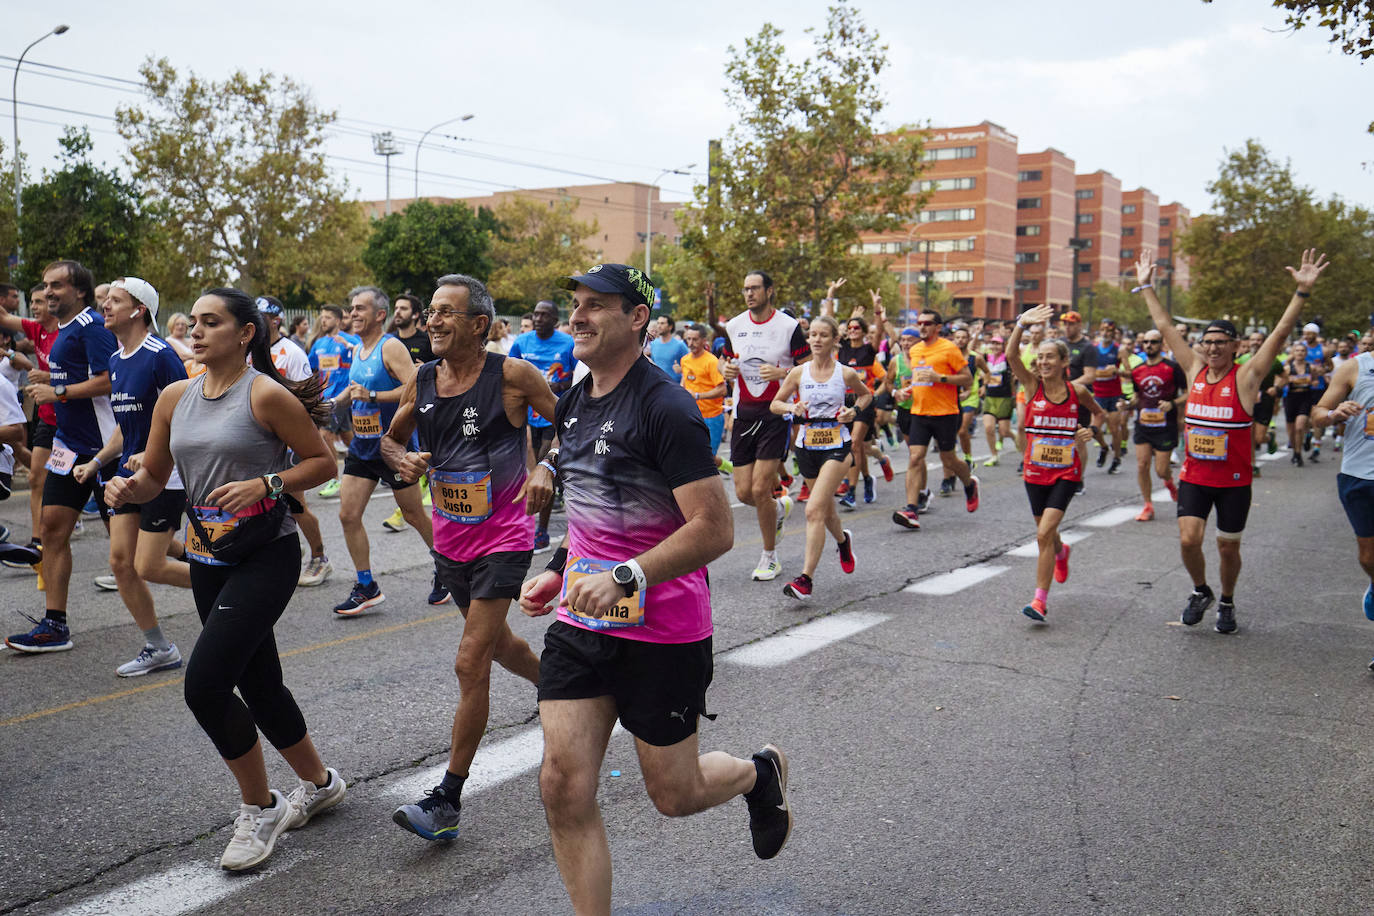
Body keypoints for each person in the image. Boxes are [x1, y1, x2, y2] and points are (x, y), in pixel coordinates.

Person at [518, 263, 792, 915]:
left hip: (662, 630)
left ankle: (758, 773)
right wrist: (560, 566)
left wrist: (629, 573)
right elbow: (587, 500)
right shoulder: (578, 397)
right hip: (583, 625)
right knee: (561, 784)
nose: (577, 316)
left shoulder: (665, 408)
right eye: (574, 304)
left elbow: (716, 528)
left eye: (595, 306)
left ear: (636, 317)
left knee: (675, 793)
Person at [104, 286, 345, 870]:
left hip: (265, 554)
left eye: (213, 323)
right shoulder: (173, 397)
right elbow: (157, 475)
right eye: (197, 322)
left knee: (206, 684)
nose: (198, 330)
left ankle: (260, 808)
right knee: (259, 682)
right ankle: (320, 783)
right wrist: (126, 489)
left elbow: (321, 464)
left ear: (244, 334)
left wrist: (267, 485)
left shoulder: (264, 395)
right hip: (208, 555)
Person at [381, 274, 556, 841]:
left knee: (470, 660)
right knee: (500, 646)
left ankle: (447, 800)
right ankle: (564, 683)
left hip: (505, 537)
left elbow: (569, 424)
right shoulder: (423, 380)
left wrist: (544, 468)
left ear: (478, 324)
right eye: (430, 311)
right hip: (452, 541)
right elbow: (389, 439)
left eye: (445, 313)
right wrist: (401, 460)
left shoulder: (513, 376)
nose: (431, 321)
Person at [1136, 246, 1328, 633]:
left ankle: (1226, 600)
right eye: (1207, 342)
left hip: (1234, 483)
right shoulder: (1192, 369)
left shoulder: (1246, 376)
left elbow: (1279, 333)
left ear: (1236, 347)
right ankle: (1200, 590)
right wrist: (1145, 286)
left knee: (1228, 547)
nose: (1212, 348)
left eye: (1221, 342)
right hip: (1195, 477)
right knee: (1189, 541)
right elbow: (1167, 326)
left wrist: (1302, 292)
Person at [73, 278, 192, 675]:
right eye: (105, 299)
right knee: (121, 562)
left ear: (139, 310)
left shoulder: (161, 356)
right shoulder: (117, 360)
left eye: (115, 300)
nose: (105, 305)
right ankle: (159, 647)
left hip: (166, 474)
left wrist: (154, 452)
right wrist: (98, 460)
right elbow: (127, 425)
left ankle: (230, 586)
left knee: (149, 566)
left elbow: (185, 415)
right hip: (126, 475)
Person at [6, 261, 118, 654]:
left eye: (57, 285)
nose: (49, 292)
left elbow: (109, 380)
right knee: (53, 529)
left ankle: (205, 569)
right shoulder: (65, 329)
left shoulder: (91, 327)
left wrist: (59, 392)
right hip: (69, 447)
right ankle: (55, 624)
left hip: (106, 450)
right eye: (47, 286)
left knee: (136, 556)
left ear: (80, 291)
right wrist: (50, 380)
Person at [332, 285, 446, 614]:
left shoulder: (390, 346)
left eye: (359, 309)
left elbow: (415, 387)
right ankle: (366, 585)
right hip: (363, 447)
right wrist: (335, 403)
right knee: (347, 515)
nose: (352, 313)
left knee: (412, 514)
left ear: (379, 315)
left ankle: (447, 566)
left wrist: (373, 398)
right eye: (351, 308)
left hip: (393, 447)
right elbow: (357, 390)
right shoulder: (358, 349)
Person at [1006, 305, 1105, 621]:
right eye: (1041, 358)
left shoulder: (1077, 392)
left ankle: (1039, 601)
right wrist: (1021, 324)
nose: (1043, 362)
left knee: (1044, 532)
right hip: (1035, 472)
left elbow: (1099, 414)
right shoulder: (1032, 387)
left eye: (1051, 357)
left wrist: (1091, 429)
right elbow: (1011, 357)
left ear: (1065, 362)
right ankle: (1062, 552)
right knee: (1046, 534)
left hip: (1066, 472)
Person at [770, 315, 866, 600]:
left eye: (823, 335)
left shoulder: (845, 373)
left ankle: (805, 579)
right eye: (812, 334)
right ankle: (843, 540)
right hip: (807, 446)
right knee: (826, 511)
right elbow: (775, 404)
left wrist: (853, 412)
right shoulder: (798, 374)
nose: (816, 339)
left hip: (837, 445)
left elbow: (865, 396)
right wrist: (792, 407)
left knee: (813, 510)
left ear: (835, 339)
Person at [721, 270, 808, 580]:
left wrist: (783, 373)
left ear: (770, 291)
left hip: (775, 414)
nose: (749, 294)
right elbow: (725, 362)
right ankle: (778, 509)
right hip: (744, 414)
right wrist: (727, 370)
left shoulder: (789, 326)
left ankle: (770, 557)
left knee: (760, 489)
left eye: (755, 288)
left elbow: (807, 367)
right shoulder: (734, 325)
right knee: (744, 493)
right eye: (745, 289)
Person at [258, 296, 335, 586]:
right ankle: (285, 549)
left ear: (275, 319)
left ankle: (320, 558)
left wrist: (298, 443)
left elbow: (308, 400)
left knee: (295, 503)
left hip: (288, 443)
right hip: (260, 442)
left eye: (262, 315)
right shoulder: (250, 350)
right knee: (266, 502)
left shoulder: (291, 352)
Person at [892, 309, 979, 530]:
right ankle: (911, 509)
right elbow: (920, 379)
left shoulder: (949, 349)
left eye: (927, 323)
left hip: (945, 413)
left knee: (948, 460)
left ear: (938, 327)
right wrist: (905, 391)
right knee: (915, 458)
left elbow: (967, 379)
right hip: (919, 412)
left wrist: (940, 377)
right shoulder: (916, 349)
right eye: (919, 323)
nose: (922, 327)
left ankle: (969, 484)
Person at [1311, 342, 1374, 635]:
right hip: (1359, 475)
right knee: (1369, 557)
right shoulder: (1354, 367)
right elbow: (1318, 413)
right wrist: (1335, 414)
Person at [509, 300, 577, 551]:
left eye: (544, 315)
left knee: (543, 464)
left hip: (553, 414)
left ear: (554, 320)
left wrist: (560, 386)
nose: (538, 318)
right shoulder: (521, 342)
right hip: (526, 416)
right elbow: (508, 374)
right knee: (524, 470)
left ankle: (542, 530)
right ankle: (524, 523)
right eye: (535, 314)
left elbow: (578, 376)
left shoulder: (567, 343)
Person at [0, 284, 59, 556]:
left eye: (40, 302)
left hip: (73, 419)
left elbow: (94, 379)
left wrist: (47, 378)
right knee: (36, 477)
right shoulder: (37, 329)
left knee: (73, 479)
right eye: (32, 301)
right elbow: (4, 317)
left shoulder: (69, 333)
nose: (34, 306)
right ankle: (38, 541)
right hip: (47, 416)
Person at [1124, 330, 1185, 521]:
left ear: (1161, 344)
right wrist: (1127, 404)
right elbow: (1137, 396)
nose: (1149, 345)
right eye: (1146, 342)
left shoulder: (1172, 367)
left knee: (1161, 470)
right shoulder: (1138, 370)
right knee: (1142, 465)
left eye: (1154, 342)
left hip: (1165, 426)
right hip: (1143, 425)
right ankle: (1148, 505)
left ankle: (1169, 482)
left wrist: (1172, 404)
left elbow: (1189, 392)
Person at [307, 303, 355, 507]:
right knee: (347, 436)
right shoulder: (318, 344)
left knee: (325, 434)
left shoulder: (351, 341)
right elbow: (310, 369)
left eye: (327, 317)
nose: (323, 320)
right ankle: (373, 464)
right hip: (324, 397)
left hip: (342, 397)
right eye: (322, 317)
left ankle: (334, 479)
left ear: (337, 320)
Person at [680, 323, 731, 473]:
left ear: (704, 341)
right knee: (693, 456)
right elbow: (686, 380)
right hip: (690, 415)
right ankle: (731, 468)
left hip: (712, 417)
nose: (691, 343)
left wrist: (697, 396)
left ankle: (727, 472)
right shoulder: (685, 360)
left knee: (706, 459)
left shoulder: (712, 361)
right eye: (688, 339)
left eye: (695, 340)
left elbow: (722, 390)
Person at [1092, 320, 1127, 474]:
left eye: (1109, 331)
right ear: (1099, 331)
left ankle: (1117, 458)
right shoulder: (1093, 349)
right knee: (1094, 429)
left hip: (1114, 395)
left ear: (1114, 333)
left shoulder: (1120, 350)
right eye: (1103, 330)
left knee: (1114, 429)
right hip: (1098, 394)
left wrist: (1118, 371)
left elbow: (1130, 373)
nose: (1105, 333)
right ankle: (1104, 448)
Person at [1277, 342, 1319, 466]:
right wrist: (1286, 381)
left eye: (1302, 351)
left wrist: (1314, 382)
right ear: (1293, 353)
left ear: (1306, 353)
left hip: (1305, 397)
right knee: (1291, 431)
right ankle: (1295, 451)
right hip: (1291, 398)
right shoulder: (1288, 368)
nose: (1300, 353)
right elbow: (1279, 382)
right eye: (1297, 350)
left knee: (1299, 427)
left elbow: (1316, 379)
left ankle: (1298, 453)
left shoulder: (1311, 367)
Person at [980, 336, 1015, 466]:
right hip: (990, 397)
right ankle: (993, 455)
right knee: (988, 428)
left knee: (1004, 431)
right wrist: (983, 386)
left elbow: (1012, 378)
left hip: (1004, 397)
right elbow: (970, 353)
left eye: (998, 344)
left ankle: (1015, 437)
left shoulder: (1007, 358)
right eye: (993, 344)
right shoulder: (986, 358)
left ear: (1003, 346)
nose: (995, 347)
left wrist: (1014, 395)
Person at [389, 293, 435, 366]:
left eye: (403, 308)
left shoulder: (428, 341)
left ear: (415, 315)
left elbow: (441, 366)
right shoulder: (388, 340)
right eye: (396, 308)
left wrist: (426, 368)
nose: (397, 312)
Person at [646, 315, 689, 383]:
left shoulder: (680, 345)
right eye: (658, 323)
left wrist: (681, 370)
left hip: (674, 387)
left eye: (662, 323)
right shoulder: (653, 344)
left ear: (670, 327)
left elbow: (690, 365)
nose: (659, 326)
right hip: (657, 385)